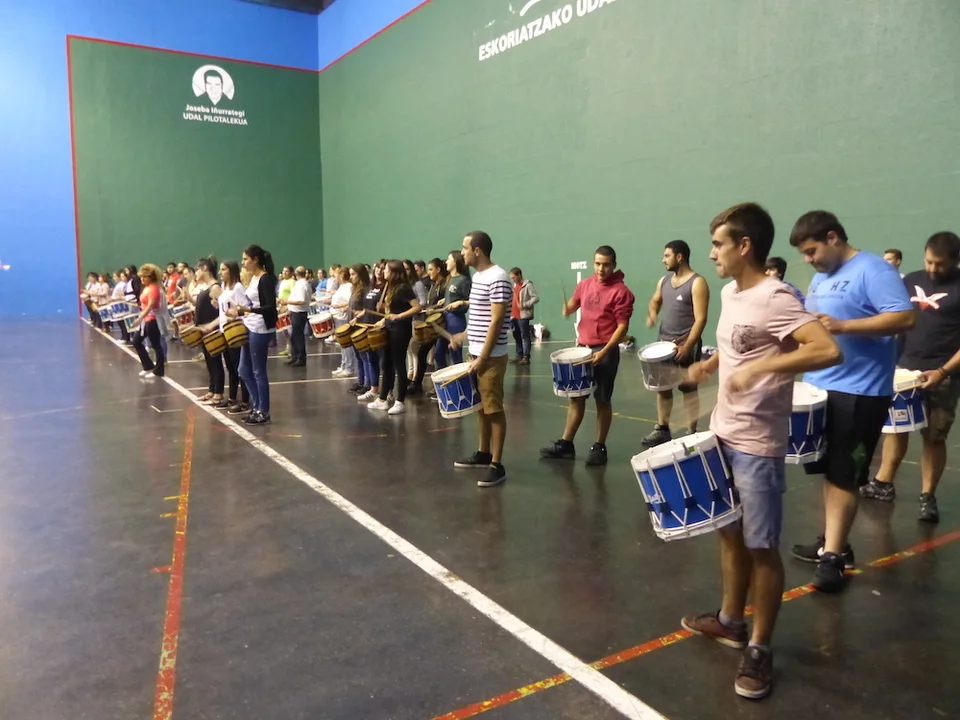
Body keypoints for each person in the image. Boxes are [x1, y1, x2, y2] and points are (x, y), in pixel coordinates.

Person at [681, 202, 841, 700]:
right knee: (729, 535)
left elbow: (826, 348)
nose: (712, 254)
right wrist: (712, 365)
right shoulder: (730, 293)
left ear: (744, 246)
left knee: (761, 547)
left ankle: (760, 647)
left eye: (718, 245)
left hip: (757, 444)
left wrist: (762, 369)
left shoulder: (777, 296)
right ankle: (731, 621)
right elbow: (740, 345)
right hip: (723, 433)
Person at [787, 210, 915, 592]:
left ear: (833, 237)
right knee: (831, 471)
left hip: (861, 392)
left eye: (811, 251)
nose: (808, 260)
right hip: (821, 388)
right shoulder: (821, 277)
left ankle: (834, 557)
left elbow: (904, 318)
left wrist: (844, 326)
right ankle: (833, 541)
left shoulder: (874, 271)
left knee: (845, 476)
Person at [862, 231, 960, 522]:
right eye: (929, 262)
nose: (932, 269)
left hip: (942, 375)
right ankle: (883, 483)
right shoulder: (911, 281)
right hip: (904, 372)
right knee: (895, 429)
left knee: (934, 438)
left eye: (940, 264)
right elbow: (896, 322)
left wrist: (943, 371)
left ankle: (928, 496)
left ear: (956, 260)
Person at [540, 246, 635, 466]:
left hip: (605, 351)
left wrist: (605, 351)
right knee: (576, 398)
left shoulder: (621, 292)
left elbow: (622, 327)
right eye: (598, 264)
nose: (601, 269)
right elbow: (574, 304)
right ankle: (566, 444)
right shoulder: (584, 284)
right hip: (582, 350)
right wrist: (568, 308)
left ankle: (600, 446)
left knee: (602, 399)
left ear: (614, 265)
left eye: (606, 264)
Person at [450, 232, 511, 488]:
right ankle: (484, 452)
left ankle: (497, 464)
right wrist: (463, 336)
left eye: (465, 248)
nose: (462, 252)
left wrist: (483, 356)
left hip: (490, 357)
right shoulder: (477, 277)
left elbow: (497, 320)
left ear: (478, 251)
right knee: (481, 407)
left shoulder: (498, 277)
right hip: (475, 353)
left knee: (493, 409)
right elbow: (480, 317)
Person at [643, 240, 710, 446]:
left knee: (688, 388)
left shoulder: (697, 283)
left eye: (667, 256)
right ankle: (662, 429)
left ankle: (691, 433)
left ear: (679, 257)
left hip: (686, 344)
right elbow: (655, 300)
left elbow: (701, 319)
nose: (663, 260)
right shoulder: (664, 281)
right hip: (664, 342)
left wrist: (688, 346)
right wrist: (653, 313)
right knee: (663, 387)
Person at [228, 245, 278, 425]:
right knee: (243, 370)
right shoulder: (254, 278)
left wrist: (247, 310)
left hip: (260, 329)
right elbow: (253, 306)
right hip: (250, 326)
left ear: (255, 260)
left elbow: (270, 307)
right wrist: (239, 312)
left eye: (245, 259)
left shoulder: (265, 279)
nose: (243, 263)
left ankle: (263, 411)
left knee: (258, 371)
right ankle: (257, 406)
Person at [369, 260, 421, 415]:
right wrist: (383, 319)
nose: (383, 272)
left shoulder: (404, 288)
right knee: (386, 364)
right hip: (390, 327)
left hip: (400, 329)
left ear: (394, 272)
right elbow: (391, 311)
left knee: (399, 364)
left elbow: (417, 307)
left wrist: (399, 316)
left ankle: (400, 401)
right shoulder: (389, 287)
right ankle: (382, 399)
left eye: (386, 269)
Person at [411, 258, 448, 396]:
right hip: (432, 325)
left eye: (431, 269)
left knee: (439, 355)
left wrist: (435, 309)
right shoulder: (433, 285)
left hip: (441, 325)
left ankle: (443, 386)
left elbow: (446, 304)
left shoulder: (444, 285)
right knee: (422, 353)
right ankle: (417, 384)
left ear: (438, 270)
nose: (429, 272)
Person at [192, 257, 224, 404]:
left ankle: (218, 394)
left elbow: (224, 310)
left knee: (215, 362)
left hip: (212, 331)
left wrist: (211, 325)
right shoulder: (205, 287)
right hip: (204, 330)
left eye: (197, 269)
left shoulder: (215, 287)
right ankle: (212, 391)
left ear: (205, 268)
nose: (196, 273)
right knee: (209, 362)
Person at [434, 251, 471, 372]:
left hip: (456, 320)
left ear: (456, 262)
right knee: (438, 354)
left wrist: (461, 302)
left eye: (449, 259)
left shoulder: (463, 280)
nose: (446, 262)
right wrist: (445, 300)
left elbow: (472, 299)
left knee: (455, 356)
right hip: (446, 318)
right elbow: (454, 294)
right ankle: (447, 379)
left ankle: (462, 382)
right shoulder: (450, 278)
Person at [131, 264, 167, 379]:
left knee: (156, 345)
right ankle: (148, 366)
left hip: (153, 319)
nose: (142, 279)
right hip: (146, 320)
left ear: (151, 277)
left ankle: (159, 370)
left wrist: (140, 318)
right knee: (136, 341)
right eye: (141, 276)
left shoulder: (154, 289)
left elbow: (151, 305)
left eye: (145, 277)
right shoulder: (146, 288)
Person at [281, 266, 312, 368]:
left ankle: (300, 357)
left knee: (298, 336)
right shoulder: (303, 284)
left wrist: (287, 302)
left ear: (296, 274)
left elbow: (301, 300)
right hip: (298, 312)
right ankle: (295, 356)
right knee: (295, 335)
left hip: (298, 313)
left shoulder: (301, 285)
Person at [509, 268, 539, 365]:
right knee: (516, 335)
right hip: (514, 315)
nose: (512, 280)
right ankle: (519, 355)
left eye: (514, 277)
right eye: (511, 278)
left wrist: (524, 305)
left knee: (525, 336)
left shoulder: (528, 285)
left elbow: (535, 298)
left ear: (519, 275)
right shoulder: (515, 285)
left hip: (523, 315)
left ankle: (526, 357)